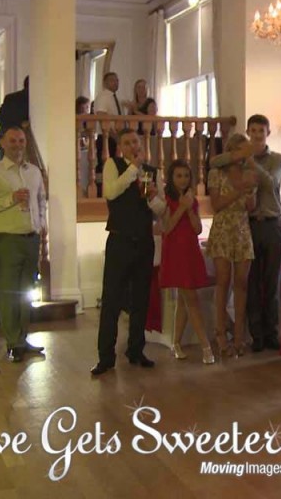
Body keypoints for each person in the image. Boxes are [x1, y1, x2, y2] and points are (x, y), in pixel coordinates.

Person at [91, 129, 166, 376]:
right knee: (112, 299)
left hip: (144, 240)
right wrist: (133, 169)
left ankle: (135, 350)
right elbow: (111, 192)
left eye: (135, 141)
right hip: (120, 240)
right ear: (120, 147)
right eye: (127, 142)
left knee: (140, 299)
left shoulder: (153, 172)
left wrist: (153, 197)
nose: (132, 145)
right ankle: (105, 357)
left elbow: (160, 210)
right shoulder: (113, 165)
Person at [211, 115, 281, 353]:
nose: (256, 135)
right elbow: (215, 166)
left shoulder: (275, 159)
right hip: (240, 226)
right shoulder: (224, 169)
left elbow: (270, 184)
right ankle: (244, 335)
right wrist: (240, 159)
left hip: (267, 223)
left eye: (260, 131)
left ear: (267, 132)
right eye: (251, 131)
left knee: (266, 282)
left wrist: (251, 164)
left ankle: (265, 334)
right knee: (240, 283)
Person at [0, 125, 47, 363]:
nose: (18, 145)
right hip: (7, 240)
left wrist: (39, 226)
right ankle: (12, 342)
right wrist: (11, 198)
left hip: (31, 239)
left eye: (21, 141)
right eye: (13, 141)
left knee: (26, 293)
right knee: (9, 294)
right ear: (2, 143)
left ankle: (23, 337)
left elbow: (41, 201)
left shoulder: (35, 172)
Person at [207, 134, 258, 358]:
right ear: (232, 150)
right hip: (223, 227)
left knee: (242, 283)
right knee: (223, 282)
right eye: (242, 149)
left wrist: (249, 194)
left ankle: (239, 335)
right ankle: (220, 334)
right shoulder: (216, 172)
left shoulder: (249, 173)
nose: (246, 154)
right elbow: (217, 205)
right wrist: (239, 190)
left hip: (242, 228)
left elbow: (251, 206)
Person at [159, 159, 214, 365]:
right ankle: (206, 347)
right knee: (190, 299)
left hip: (190, 251)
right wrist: (181, 207)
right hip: (175, 252)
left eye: (186, 176)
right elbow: (167, 227)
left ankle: (176, 343)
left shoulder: (193, 200)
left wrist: (190, 208)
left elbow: (198, 229)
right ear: (171, 178)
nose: (183, 180)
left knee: (184, 300)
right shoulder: (165, 199)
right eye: (178, 176)